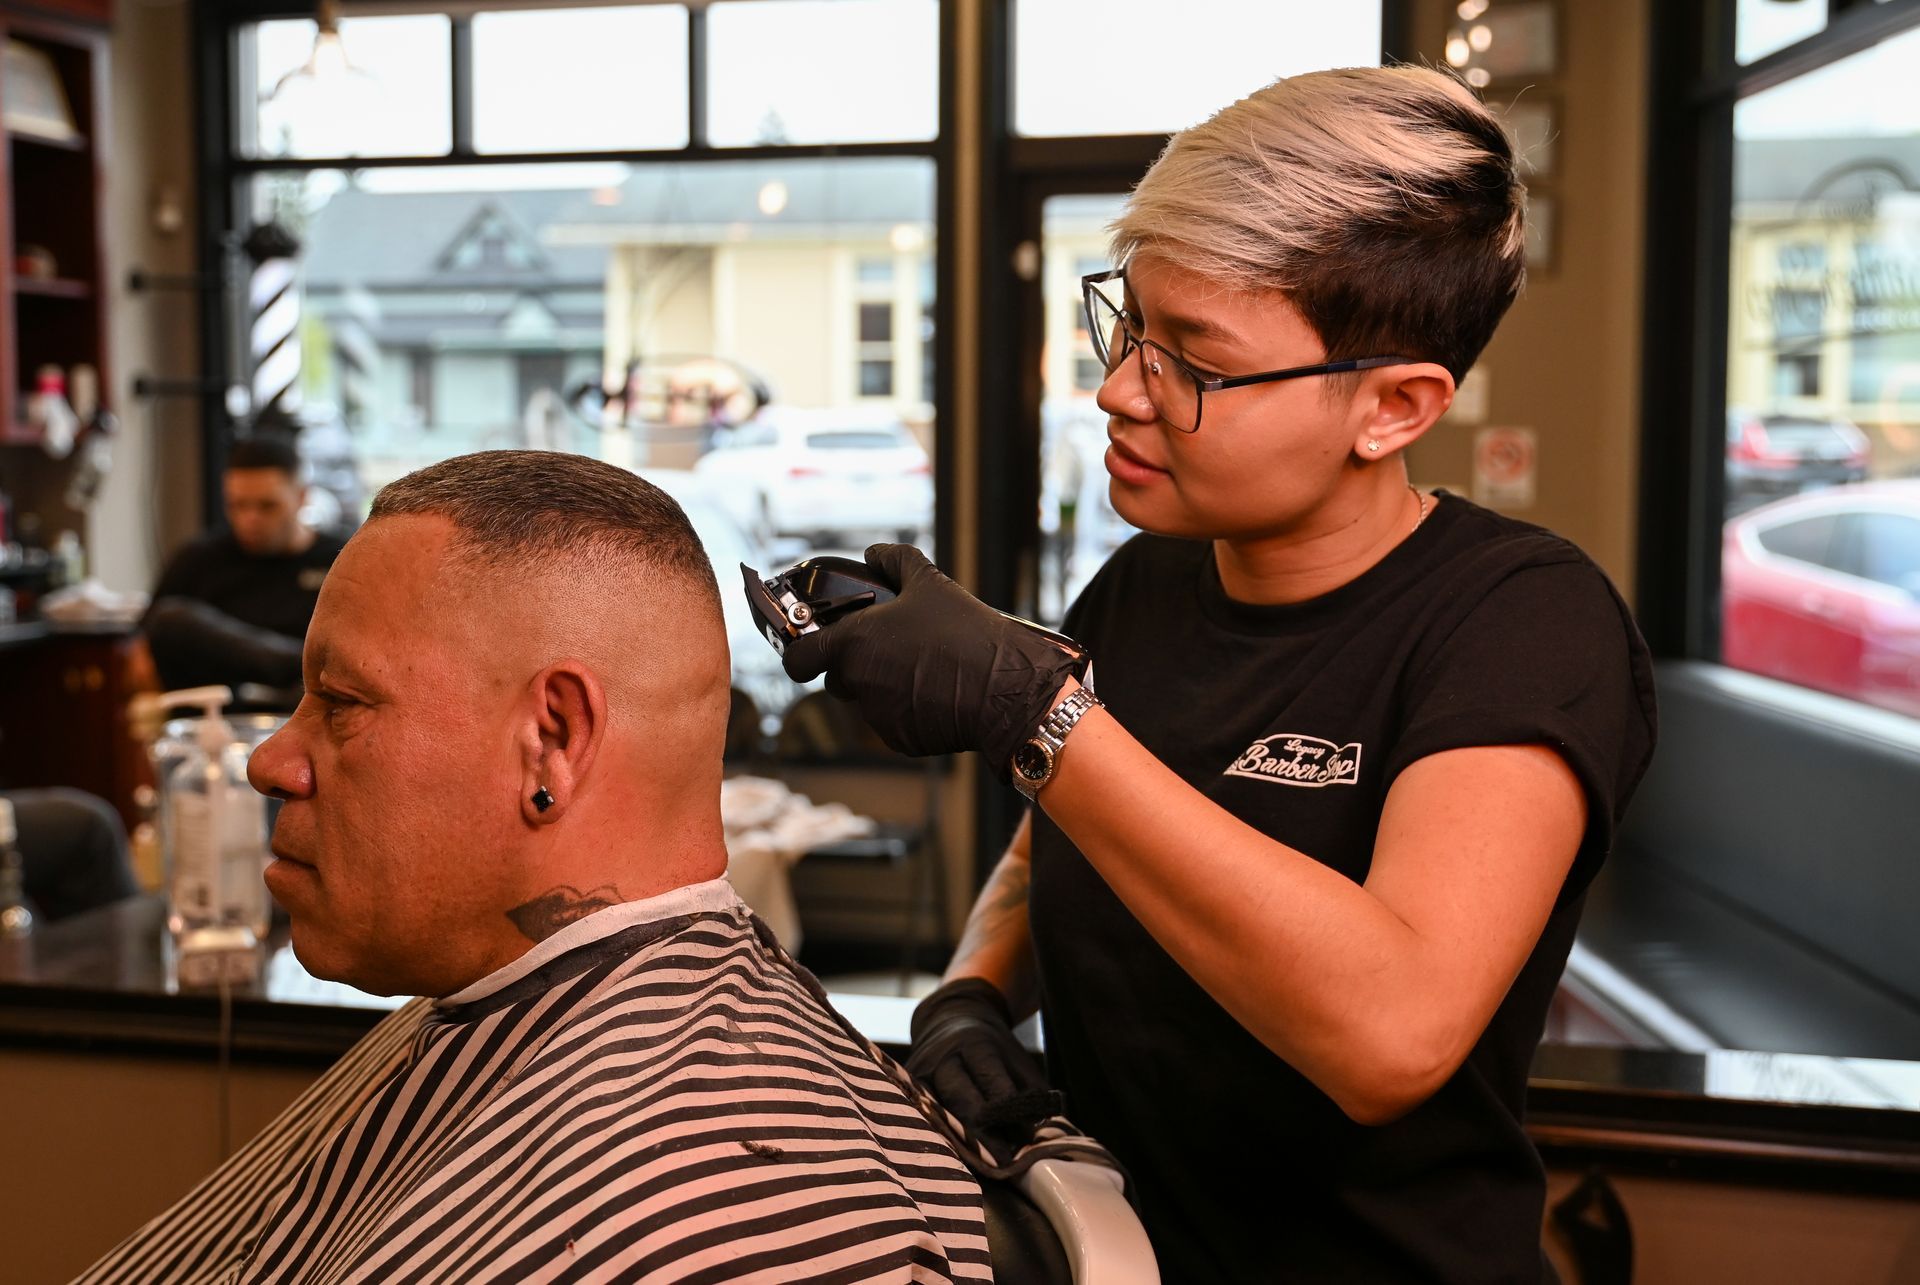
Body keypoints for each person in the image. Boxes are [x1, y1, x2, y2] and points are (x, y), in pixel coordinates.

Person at [782, 66, 1658, 1282]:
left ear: (1395, 408)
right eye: (1129, 324)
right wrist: (973, 992)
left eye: (1194, 362)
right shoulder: (1140, 591)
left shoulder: (1520, 621)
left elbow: (1391, 1028)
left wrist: (1034, 712)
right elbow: (1060, 844)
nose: (1119, 388)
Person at [77, 451, 996, 1285]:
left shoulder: (692, 1209)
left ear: (551, 741)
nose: (268, 761)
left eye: (342, 702)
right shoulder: (501, 1009)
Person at [141, 434, 345, 695]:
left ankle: (299, 668)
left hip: (305, 708)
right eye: (237, 505)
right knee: (171, 618)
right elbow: (141, 650)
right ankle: (298, 665)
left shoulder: (339, 559)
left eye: (267, 506)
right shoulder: (199, 559)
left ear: (302, 497)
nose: (250, 519)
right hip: (213, 713)